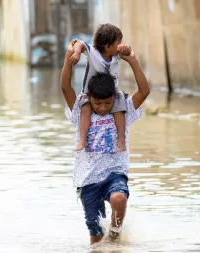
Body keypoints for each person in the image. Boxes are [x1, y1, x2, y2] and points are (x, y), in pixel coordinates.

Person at [61, 39, 150, 245]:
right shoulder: (80, 113)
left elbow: (144, 92)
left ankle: (116, 233)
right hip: (87, 179)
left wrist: (133, 61)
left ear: (115, 100)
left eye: (107, 103)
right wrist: (68, 59)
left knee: (119, 198)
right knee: (96, 239)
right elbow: (65, 87)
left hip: (114, 173)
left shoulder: (122, 111)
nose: (102, 108)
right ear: (89, 98)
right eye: (97, 103)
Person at [68, 24, 131, 153]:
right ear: (107, 46)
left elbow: (129, 52)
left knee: (119, 109)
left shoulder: (116, 55)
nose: (120, 45)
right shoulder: (93, 52)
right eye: (118, 43)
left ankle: (121, 139)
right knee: (85, 109)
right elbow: (80, 44)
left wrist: (126, 49)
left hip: (113, 92)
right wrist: (77, 53)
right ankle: (83, 139)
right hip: (89, 92)